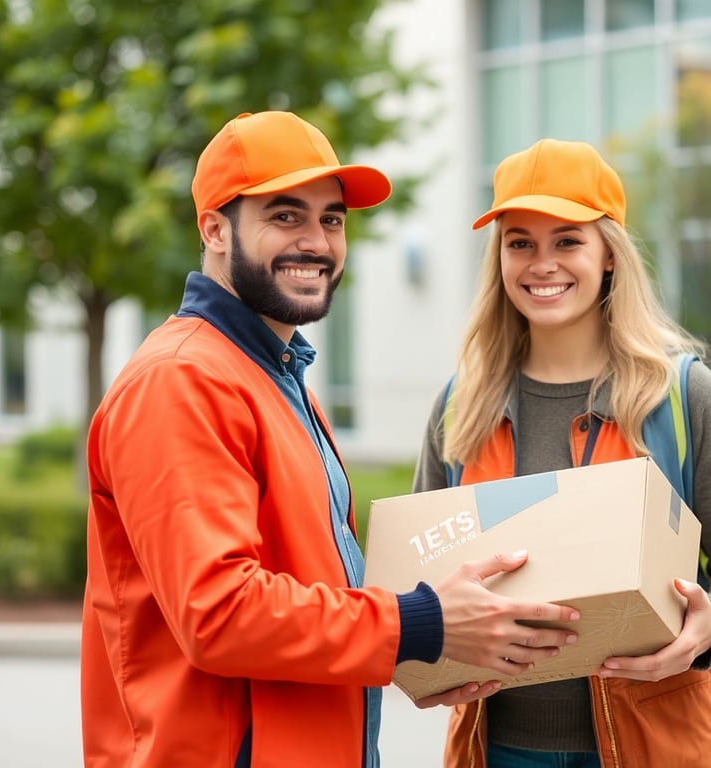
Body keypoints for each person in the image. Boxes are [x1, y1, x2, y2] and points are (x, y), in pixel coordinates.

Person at [79, 111, 582, 768]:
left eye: (332, 219)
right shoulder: (182, 381)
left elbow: (313, 594)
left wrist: (416, 653)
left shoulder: (279, 377)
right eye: (285, 216)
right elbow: (220, 612)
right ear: (214, 229)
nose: (316, 240)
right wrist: (421, 622)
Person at [412, 138, 711, 767]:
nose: (542, 263)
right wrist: (423, 652)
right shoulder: (461, 406)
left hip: (659, 745)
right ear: (500, 257)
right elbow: (423, 584)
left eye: (567, 240)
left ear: (609, 255)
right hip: (495, 748)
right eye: (520, 242)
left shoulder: (681, 396)